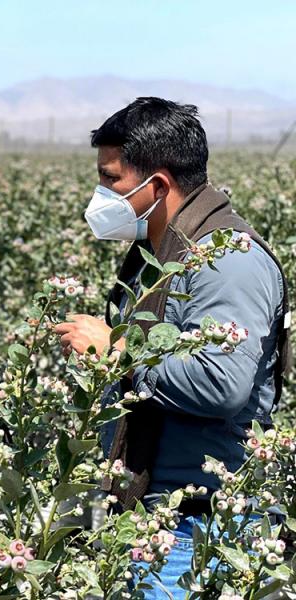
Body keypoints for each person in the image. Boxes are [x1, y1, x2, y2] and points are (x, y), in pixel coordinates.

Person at [53, 97, 291, 598]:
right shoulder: (156, 257)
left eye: (110, 179)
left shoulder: (229, 261)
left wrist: (117, 351)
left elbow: (223, 385)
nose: (99, 195)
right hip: (146, 521)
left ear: (156, 185)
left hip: (200, 533)